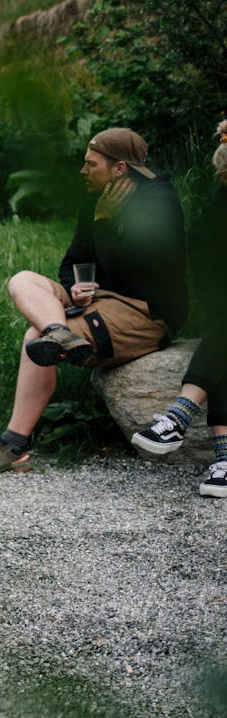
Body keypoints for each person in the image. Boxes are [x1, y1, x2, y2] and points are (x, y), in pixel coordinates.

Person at [0, 128, 187, 474]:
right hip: (99, 300)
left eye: (90, 164)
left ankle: (14, 445)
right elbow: (72, 264)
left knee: (33, 340)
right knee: (22, 280)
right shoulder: (97, 201)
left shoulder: (159, 203)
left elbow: (137, 268)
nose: (82, 172)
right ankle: (58, 330)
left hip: (145, 311)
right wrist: (77, 288)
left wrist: (107, 223)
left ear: (119, 168)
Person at [129, 121, 227, 497]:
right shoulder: (211, 220)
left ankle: (178, 416)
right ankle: (223, 459)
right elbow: (209, 288)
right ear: (222, 177)